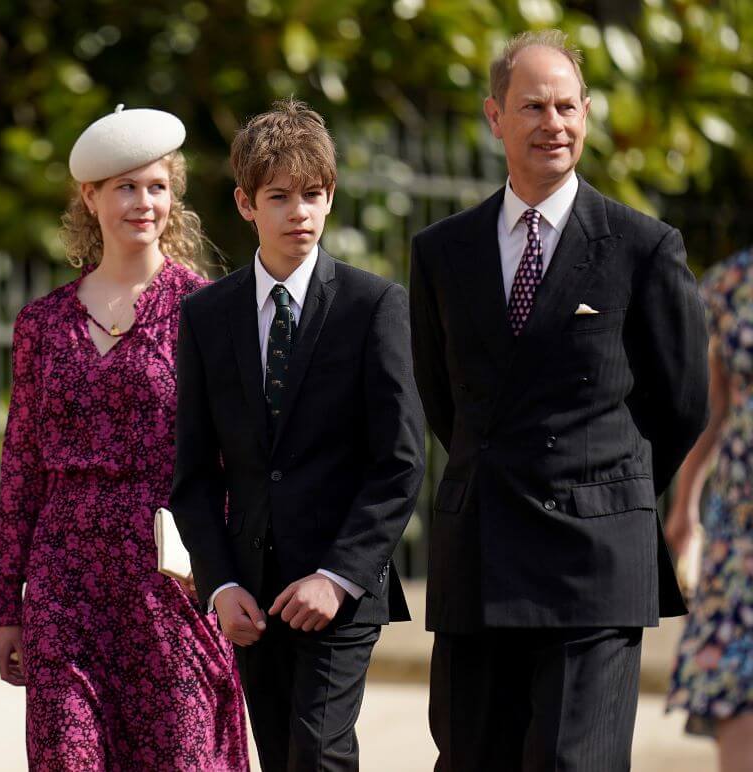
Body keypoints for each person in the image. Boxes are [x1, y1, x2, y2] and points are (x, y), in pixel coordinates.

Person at [409, 30, 709, 771]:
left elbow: (682, 403)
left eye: (568, 106)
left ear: (587, 115)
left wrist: (602, 484)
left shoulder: (644, 247)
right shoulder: (442, 251)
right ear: (494, 117)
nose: (554, 123)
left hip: (595, 564)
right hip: (479, 556)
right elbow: (442, 396)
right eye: (534, 105)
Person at [0, 106, 248, 770]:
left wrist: (225, 578)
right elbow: (21, 468)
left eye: (157, 186)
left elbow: (234, 458)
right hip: (63, 585)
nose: (143, 202)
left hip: (169, 583)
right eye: (126, 187)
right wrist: (6, 605)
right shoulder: (41, 324)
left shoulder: (207, 310)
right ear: (90, 197)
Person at [170, 98, 426, 771]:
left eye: (314, 195)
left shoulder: (374, 306)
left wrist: (338, 577)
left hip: (340, 591)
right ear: (246, 203)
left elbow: (400, 461)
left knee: (319, 754)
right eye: (279, 196)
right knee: (283, 757)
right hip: (251, 595)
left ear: (331, 196)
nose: (300, 213)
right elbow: (194, 477)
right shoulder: (205, 317)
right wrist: (220, 586)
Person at [666, 246, 753, 770]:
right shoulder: (732, 283)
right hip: (741, 529)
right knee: (736, 688)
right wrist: (684, 507)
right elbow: (711, 409)